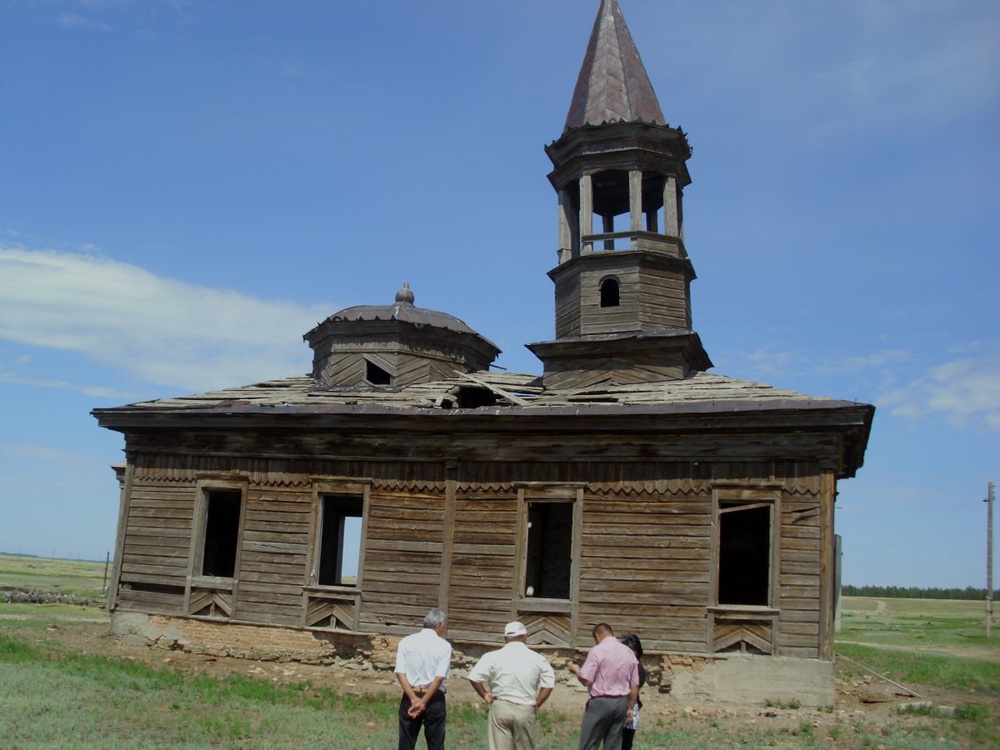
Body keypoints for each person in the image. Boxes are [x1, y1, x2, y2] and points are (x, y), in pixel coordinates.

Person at [468, 621, 556, 750]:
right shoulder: (538, 659)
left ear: (505, 638)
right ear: (525, 637)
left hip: (501, 706)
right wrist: (537, 703)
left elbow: (474, 677)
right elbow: (548, 684)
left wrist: (485, 694)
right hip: (525, 708)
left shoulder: (492, 656)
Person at [567, 623, 640, 750]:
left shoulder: (598, 650)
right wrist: (630, 707)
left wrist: (576, 671)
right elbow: (634, 685)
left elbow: (586, 680)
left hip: (600, 702)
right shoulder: (628, 652)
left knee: (589, 743)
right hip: (621, 702)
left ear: (597, 636)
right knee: (614, 744)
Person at [394, 608, 452, 750]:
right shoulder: (444, 646)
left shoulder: (406, 642)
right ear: (439, 625)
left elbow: (400, 672)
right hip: (434, 698)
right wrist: (423, 702)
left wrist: (414, 699)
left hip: (410, 695)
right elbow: (438, 678)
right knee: (436, 743)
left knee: (406, 742)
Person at [618, 634, 645, 750]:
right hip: (619, 706)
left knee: (625, 744)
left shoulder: (637, 669)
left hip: (628, 706)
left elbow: (633, 689)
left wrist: (629, 708)